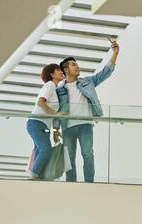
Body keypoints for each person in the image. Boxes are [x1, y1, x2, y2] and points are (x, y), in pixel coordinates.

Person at [54, 41, 119, 183]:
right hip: (67, 127)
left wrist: (115, 53)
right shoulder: (59, 90)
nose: (77, 66)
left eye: (77, 64)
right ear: (65, 70)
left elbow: (105, 73)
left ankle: (89, 182)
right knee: (68, 156)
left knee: (87, 154)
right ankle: (70, 183)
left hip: (85, 124)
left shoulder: (87, 82)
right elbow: (56, 110)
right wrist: (55, 128)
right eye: (73, 64)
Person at [26, 64, 66, 180]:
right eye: (58, 70)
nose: (61, 71)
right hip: (36, 122)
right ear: (52, 74)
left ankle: (36, 174)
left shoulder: (54, 89)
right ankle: (34, 175)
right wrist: (56, 114)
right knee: (45, 149)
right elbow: (40, 103)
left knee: (40, 149)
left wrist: (55, 130)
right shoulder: (49, 85)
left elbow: (51, 113)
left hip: (43, 125)